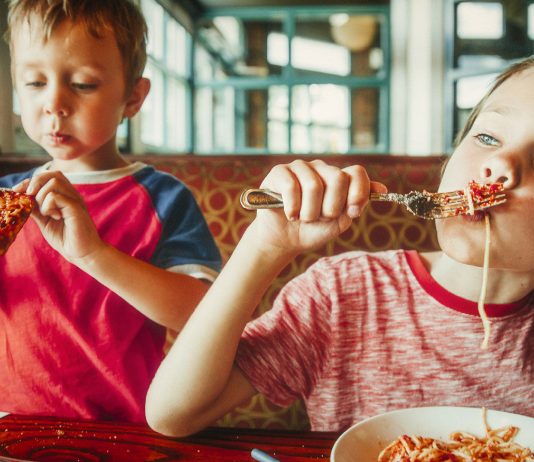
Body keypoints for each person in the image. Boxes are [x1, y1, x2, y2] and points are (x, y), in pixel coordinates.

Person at [145, 57, 534, 436]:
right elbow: (174, 414)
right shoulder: (345, 294)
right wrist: (266, 245)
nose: (500, 164)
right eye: (487, 137)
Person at [1, 0, 221, 422]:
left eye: (83, 84)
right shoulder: (6, 200)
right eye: (33, 82)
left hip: (126, 429)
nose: (55, 103)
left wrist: (93, 255)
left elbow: (203, 316)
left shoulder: (163, 198)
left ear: (133, 97)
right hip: (11, 425)